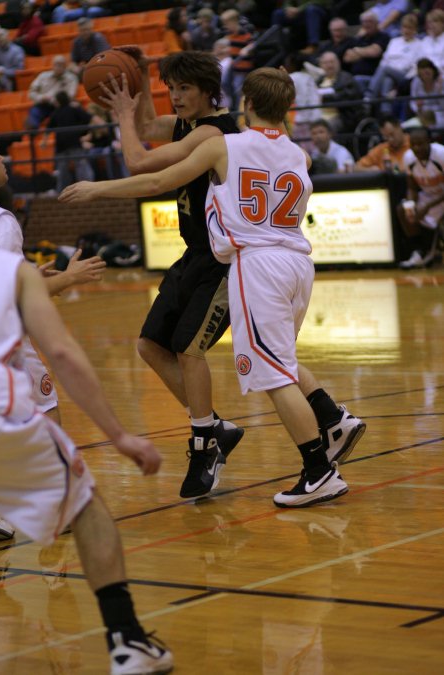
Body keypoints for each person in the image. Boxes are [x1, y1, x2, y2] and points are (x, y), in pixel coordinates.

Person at [59, 67, 367, 508]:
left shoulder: (225, 145)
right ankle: (332, 423)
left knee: (274, 375)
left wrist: (97, 189)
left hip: (257, 264)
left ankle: (319, 471)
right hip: (298, 261)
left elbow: (157, 180)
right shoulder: (302, 156)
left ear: (247, 105)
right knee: (280, 359)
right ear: (287, 109)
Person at [0, 245, 173, 673]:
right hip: (2, 414)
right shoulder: (9, 268)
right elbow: (63, 353)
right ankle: (127, 639)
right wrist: (118, 435)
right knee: (87, 507)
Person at [0, 140, 107, 540]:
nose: (3, 158)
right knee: (44, 405)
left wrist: (32, 274)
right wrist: (69, 279)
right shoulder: (1, 221)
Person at [396, 126, 444, 268]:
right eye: (413, 145)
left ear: (429, 141)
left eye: (420, 144)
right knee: (402, 210)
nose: (416, 148)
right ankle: (419, 251)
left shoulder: (441, 154)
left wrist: (427, 207)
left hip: (441, 197)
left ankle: (434, 250)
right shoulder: (408, 158)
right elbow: (411, 187)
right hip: (428, 196)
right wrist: (412, 204)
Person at [364, 13, 421, 117]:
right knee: (387, 79)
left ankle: (369, 97)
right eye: (404, 27)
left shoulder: (419, 44)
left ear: (415, 29)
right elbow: (384, 60)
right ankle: (386, 113)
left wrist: (405, 82)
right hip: (389, 74)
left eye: (410, 28)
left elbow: (415, 67)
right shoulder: (394, 41)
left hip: (406, 77)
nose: (406, 30)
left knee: (385, 69)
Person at [44, 90, 95, 192]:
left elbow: (48, 129)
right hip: (73, 143)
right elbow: (89, 118)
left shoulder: (56, 113)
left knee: (65, 170)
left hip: (63, 145)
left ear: (58, 101)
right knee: (80, 166)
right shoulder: (72, 109)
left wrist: (44, 141)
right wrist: (86, 131)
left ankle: (62, 191)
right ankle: (89, 188)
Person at [343, 10, 390, 96]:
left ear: (376, 23)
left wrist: (357, 50)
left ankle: (367, 103)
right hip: (356, 75)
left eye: (370, 21)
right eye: (364, 22)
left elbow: (375, 52)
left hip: (374, 77)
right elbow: (348, 57)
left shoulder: (382, 36)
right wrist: (365, 52)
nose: (367, 24)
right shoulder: (360, 38)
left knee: (357, 80)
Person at [25, 54, 79, 129]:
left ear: (65, 66)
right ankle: (32, 136)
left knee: (70, 110)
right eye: (56, 64)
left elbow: (70, 95)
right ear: (52, 65)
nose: (58, 67)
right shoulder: (43, 76)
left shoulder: (71, 78)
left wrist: (56, 100)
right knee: (33, 114)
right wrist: (41, 98)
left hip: (61, 106)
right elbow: (31, 93)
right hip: (43, 105)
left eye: (61, 64)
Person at [316, 51, 364, 133]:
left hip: (340, 116)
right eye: (326, 63)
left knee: (323, 129)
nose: (329, 65)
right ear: (321, 65)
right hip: (318, 115)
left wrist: (324, 98)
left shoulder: (346, 78)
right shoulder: (319, 80)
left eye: (332, 62)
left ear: (338, 63)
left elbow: (346, 96)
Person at [409, 57, 444, 129]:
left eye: (427, 74)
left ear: (433, 71)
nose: (425, 77)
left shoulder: (441, 82)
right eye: (422, 75)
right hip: (422, 114)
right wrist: (417, 108)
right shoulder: (416, 82)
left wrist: (440, 92)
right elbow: (412, 101)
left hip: (439, 114)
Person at [0, 27, 25, 92]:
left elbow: (20, 70)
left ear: (8, 37)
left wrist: (4, 71)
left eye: (1, 36)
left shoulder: (17, 50)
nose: (0, 39)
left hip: (13, 79)